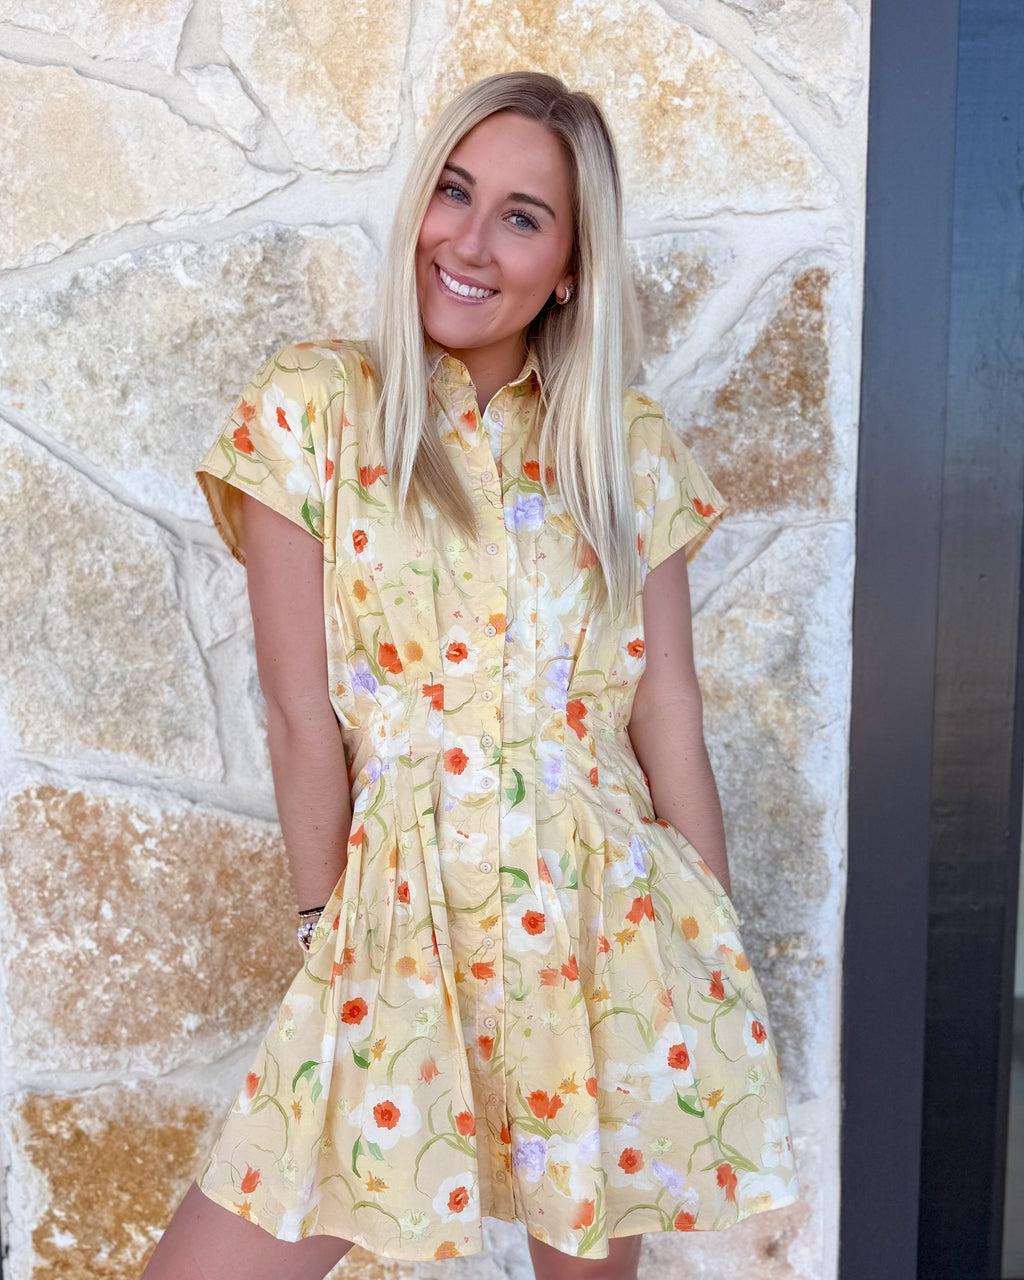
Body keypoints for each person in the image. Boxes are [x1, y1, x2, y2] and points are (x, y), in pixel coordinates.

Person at [143, 71, 798, 1280]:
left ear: (571, 267)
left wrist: (705, 922)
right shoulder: (316, 407)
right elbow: (298, 710)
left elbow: (667, 704)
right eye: (455, 192)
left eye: (521, 214)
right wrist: (319, 921)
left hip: (601, 918)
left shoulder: (624, 443)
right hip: (395, 911)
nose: (469, 237)